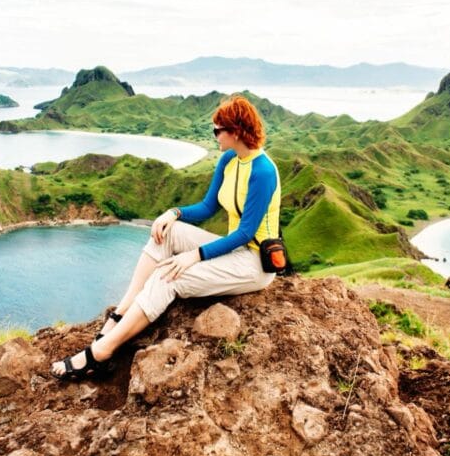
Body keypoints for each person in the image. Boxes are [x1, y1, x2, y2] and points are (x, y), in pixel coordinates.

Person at [51, 95, 282, 380]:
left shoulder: (263, 171)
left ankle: (101, 352)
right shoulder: (229, 160)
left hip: (254, 262)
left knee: (169, 275)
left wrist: (193, 256)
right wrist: (172, 213)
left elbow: (246, 233)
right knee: (168, 232)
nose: (214, 136)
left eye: (217, 130)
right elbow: (208, 207)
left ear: (235, 132)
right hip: (234, 251)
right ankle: (122, 313)